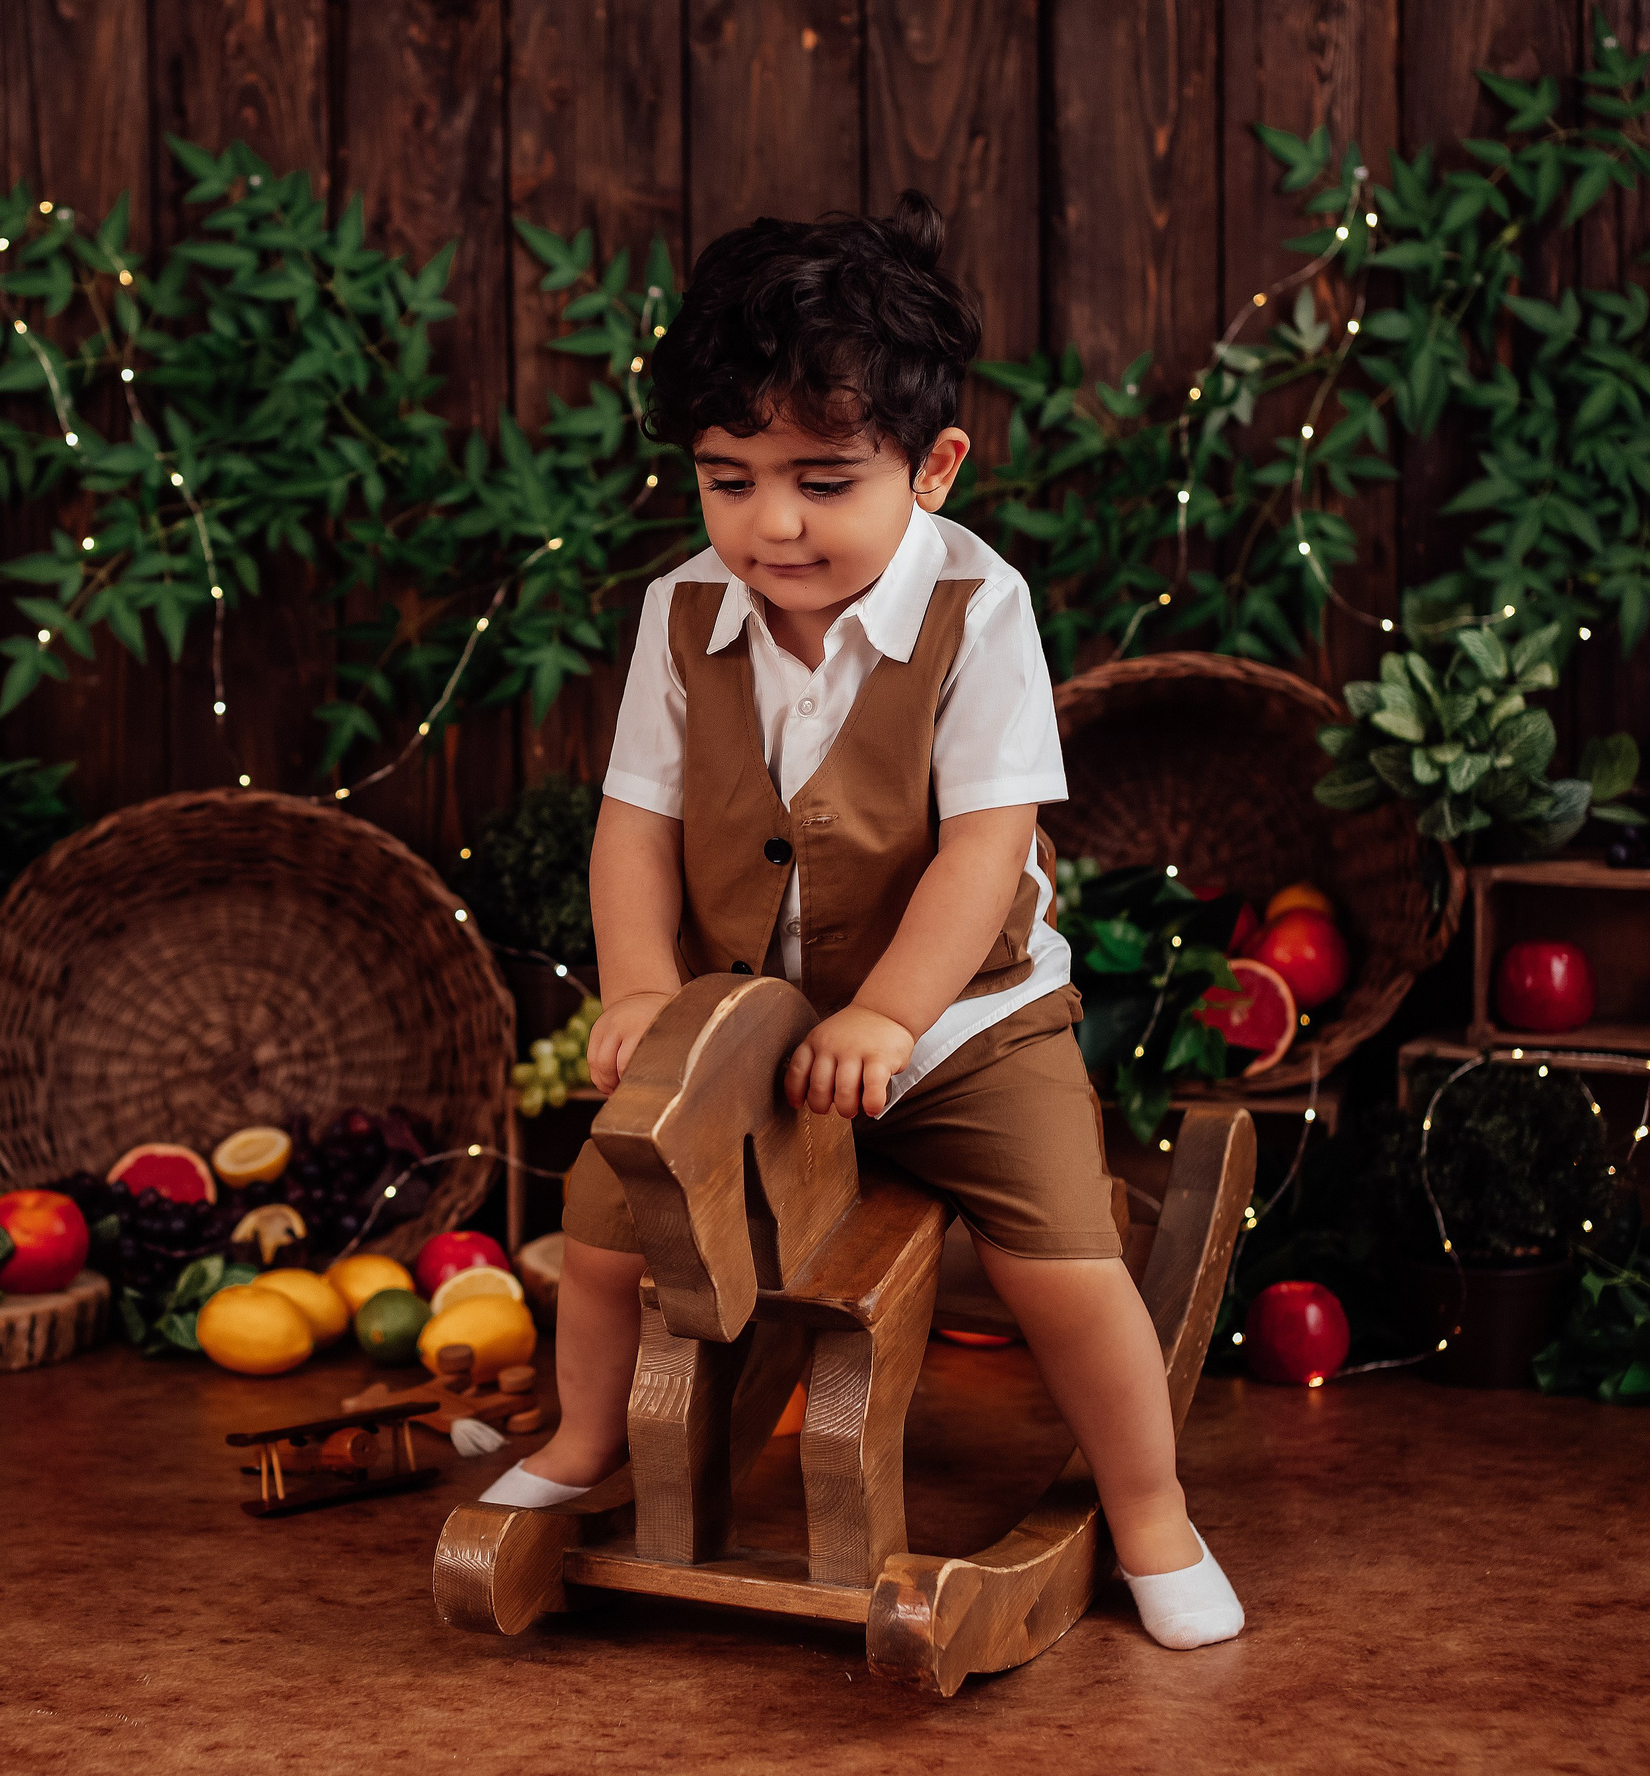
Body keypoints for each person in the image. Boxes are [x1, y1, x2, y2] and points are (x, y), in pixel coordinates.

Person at [476, 192, 1243, 1650]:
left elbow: (984, 848)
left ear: (933, 466)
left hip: (962, 1022)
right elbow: (634, 825)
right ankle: (584, 1442)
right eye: (729, 478)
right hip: (741, 1020)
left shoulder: (980, 609)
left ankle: (1150, 1511)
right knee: (606, 1225)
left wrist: (892, 1015)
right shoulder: (682, 613)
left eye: (824, 481)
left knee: (1056, 1257)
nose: (772, 524)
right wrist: (636, 989)